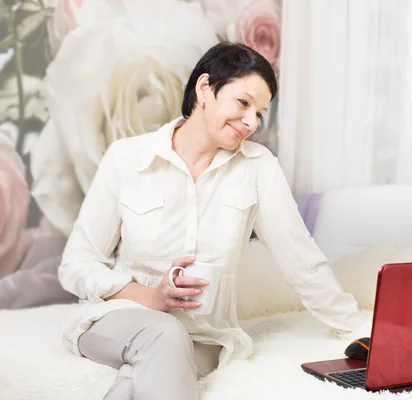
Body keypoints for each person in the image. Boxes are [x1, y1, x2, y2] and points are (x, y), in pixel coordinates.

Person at [58, 42, 365, 400]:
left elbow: (301, 259)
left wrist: (359, 330)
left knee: (139, 377)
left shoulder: (258, 167)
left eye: (260, 113)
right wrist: (151, 297)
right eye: (243, 103)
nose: (251, 122)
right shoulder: (126, 158)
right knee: (163, 335)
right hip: (119, 318)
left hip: (205, 335)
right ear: (205, 88)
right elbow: (76, 264)